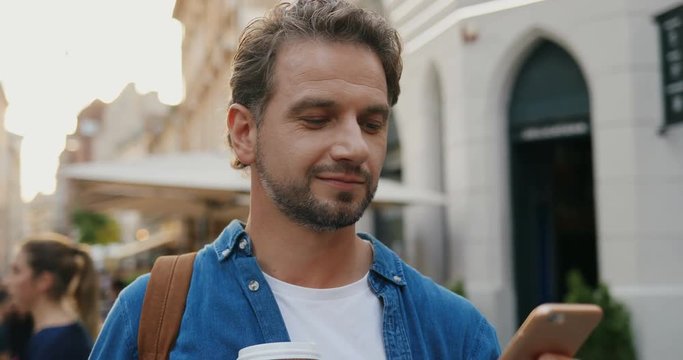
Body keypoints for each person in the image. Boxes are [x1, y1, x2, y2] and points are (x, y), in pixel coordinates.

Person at [92, 1, 573, 359]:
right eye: (317, 118)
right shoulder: (156, 315)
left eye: (372, 123)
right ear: (244, 133)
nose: (354, 147)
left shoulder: (454, 330)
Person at [3, 233, 99, 360]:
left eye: (17, 271)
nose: (6, 282)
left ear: (44, 281)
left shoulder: (58, 345)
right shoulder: (54, 336)